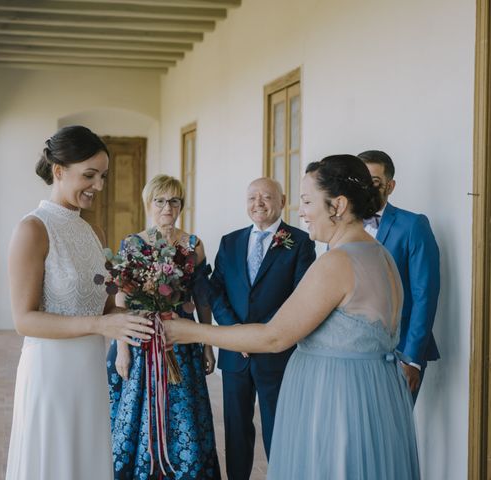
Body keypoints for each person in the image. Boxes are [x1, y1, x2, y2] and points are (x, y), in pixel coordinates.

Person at [166, 155, 420, 479]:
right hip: (375, 394)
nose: (300, 212)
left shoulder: (336, 263)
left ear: (338, 205)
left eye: (306, 200)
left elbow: (274, 336)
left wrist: (189, 331)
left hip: (339, 402)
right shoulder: (380, 254)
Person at [5, 125, 154, 480]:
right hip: (50, 374)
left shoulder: (94, 232)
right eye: (89, 175)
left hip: (88, 373)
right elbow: (24, 320)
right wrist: (102, 326)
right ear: (59, 171)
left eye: (102, 176)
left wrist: (138, 316)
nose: (99, 187)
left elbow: (103, 311)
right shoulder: (33, 229)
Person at [106, 174, 221, 480]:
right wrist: (122, 349)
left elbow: (203, 299)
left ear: (181, 204)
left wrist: (208, 343)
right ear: (149, 203)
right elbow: (123, 298)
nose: (167, 207)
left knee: (184, 411)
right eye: (160, 200)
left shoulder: (193, 245)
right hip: (141, 338)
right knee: (137, 413)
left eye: (174, 200)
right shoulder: (132, 244)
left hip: (181, 341)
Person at [209, 177, 315, 480]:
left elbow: (301, 295)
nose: (258, 203)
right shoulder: (230, 241)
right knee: (236, 427)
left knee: (278, 426)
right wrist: (234, 331)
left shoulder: (300, 242)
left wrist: (267, 335)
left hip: (276, 353)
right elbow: (215, 290)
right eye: (252, 197)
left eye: (266, 197)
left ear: (282, 201)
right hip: (235, 354)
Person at [358, 150, 440, 402]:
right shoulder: (342, 226)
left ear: (390, 186)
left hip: (400, 350)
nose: (366, 189)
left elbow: (424, 294)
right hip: (354, 351)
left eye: (374, 182)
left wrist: (413, 360)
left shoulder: (413, 225)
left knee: (392, 435)